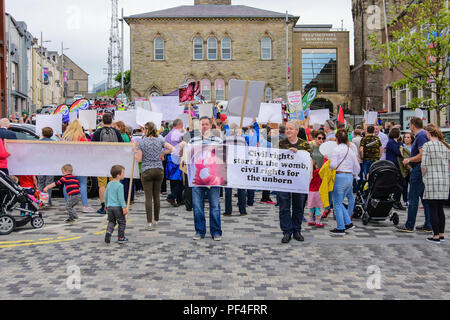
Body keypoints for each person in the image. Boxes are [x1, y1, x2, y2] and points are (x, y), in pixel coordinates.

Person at [179, 116, 223, 241]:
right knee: (197, 206)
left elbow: (223, 157)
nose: (204, 126)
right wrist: (183, 148)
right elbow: (183, 157)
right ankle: (199, 231)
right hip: (197, 178)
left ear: (210, 126)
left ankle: (216, 231)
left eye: (206, 124)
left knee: (215, 206)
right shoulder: (193, 141)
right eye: (202, 124)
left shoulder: (218, 141)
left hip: (213, 178)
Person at [134, 122, 175, 231]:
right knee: (156, 196)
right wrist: (163, 154)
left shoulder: (142, 142)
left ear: (147, 130)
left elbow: (139, 159)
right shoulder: (160, 140)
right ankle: (156, 220)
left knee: (148, 198)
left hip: (146, 170)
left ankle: (149, 223)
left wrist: (134, 152)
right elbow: (172, 149)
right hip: (158, 169)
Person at [278, 121, 312, 244]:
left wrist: (298, 154)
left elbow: (309, 160)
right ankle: (287, 231)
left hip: (299, 181)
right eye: (287, 129)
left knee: (298, 206)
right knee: (284, 206)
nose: (288, 131)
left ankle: (297, 230)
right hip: (284, 180)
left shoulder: (304, 144)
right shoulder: (281, 144)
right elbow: (276, 160)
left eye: (291, 129)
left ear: (297, 131)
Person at [396, 117, 432, 233]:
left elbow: (422, 154)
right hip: (422, 169)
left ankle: (409, 225)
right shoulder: (422, 135)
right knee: (424, 198)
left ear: (412, 125)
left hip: (418, 169)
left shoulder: (421, 135)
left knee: (413, 198)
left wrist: (409, 159)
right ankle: (428, 224)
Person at [421, 124, 449, 243]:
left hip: (432, 178)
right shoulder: (445, 146)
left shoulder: (427, 145)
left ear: (429, 134)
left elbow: (424, 165)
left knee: (432, 207)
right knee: (440, 208)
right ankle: (441, 233)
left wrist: (423, 176)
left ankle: (435, 234)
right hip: (444, 179)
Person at [329, 129, 360, 236]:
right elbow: (357, 166)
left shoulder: (336, 150)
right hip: (349, 177)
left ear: (336, 139)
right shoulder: (350, 150)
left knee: (336, 203)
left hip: (340, 176)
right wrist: (355, 176)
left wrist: (328, 161)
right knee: (339, 201)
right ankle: (348, 223)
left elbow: (333, 165)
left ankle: (341, 227)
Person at [92, 113, 124, 214]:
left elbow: (92, 146)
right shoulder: (116, 132)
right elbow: (122, 145)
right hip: (114, 160)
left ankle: (103, 206)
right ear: (111, 121)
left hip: (101, 160)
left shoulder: (97, 132)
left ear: (102, 121)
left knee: (102, 184)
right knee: (114, 182)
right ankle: (113, 204)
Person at [61, 120, 96, 213]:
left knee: (67, 183)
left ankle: (68, 204)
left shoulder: (65, 137)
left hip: (68, 162)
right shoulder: (81, 137)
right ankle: (85, 206)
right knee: (82, 183)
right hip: (80, 162)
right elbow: (87, 150)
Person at [223, 122, 248, 217]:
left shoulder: (225, 139)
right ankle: (243, 210)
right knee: (241, 188)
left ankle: (228, 211)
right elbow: (246, 153)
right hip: (240, 165)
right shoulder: (242, 140)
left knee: (228, 189)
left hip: (229, 165)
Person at [104, 165, 129, 244]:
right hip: (118, 207)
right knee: (122, 222)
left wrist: (106, 204)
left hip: (110, 207)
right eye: (123, 173)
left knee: (111, 221)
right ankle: (121, 237)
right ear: (118, 175)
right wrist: (124, 207)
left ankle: (109, 232)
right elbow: (121, 198)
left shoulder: (109, 183)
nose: (124, 174)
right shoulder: (120, 185)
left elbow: (106, 195)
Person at [113, 121, 135, 204]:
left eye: (115, 127)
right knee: (129, 179)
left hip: (123, 159)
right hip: (127, 159)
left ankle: (124, 198)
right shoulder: (126, 135)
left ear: (119, 127)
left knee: (124, 180)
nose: (114, 129)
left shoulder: (121, 135)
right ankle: (130, 198)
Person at [165, 119, 185, 207]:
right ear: (179, 125)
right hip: (177, 158)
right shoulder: (178, 134)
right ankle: (172, 196)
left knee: (173, 180)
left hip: (170, 157)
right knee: (180, 180)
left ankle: (178, 199)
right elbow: (183, 144)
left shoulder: (168, 134)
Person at [385, 127, 406, 210]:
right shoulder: (390, 142)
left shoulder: (398, 142)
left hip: (398, 166)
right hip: (392, 166)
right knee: (398, 185)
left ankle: (397, 201)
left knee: (402, 183)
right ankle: (395, 200)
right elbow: (399, 152)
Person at [37, 127, 56, 208]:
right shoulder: (54, 143)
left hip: (40, 164)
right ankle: (47, 201)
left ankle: (41, 201)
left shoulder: (38, 143)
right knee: (49, 184)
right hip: (50, 164)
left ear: (43, 133)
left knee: (41, 183)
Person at [308, 160, 324, 228]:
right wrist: (325, 159)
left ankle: (310, 220)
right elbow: (324, 167)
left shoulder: (308, 173)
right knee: (317, 207)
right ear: (316, 166)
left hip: (310, 192)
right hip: (317, 192)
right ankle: (317, 221)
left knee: (311, 207)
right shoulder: (317, 172)